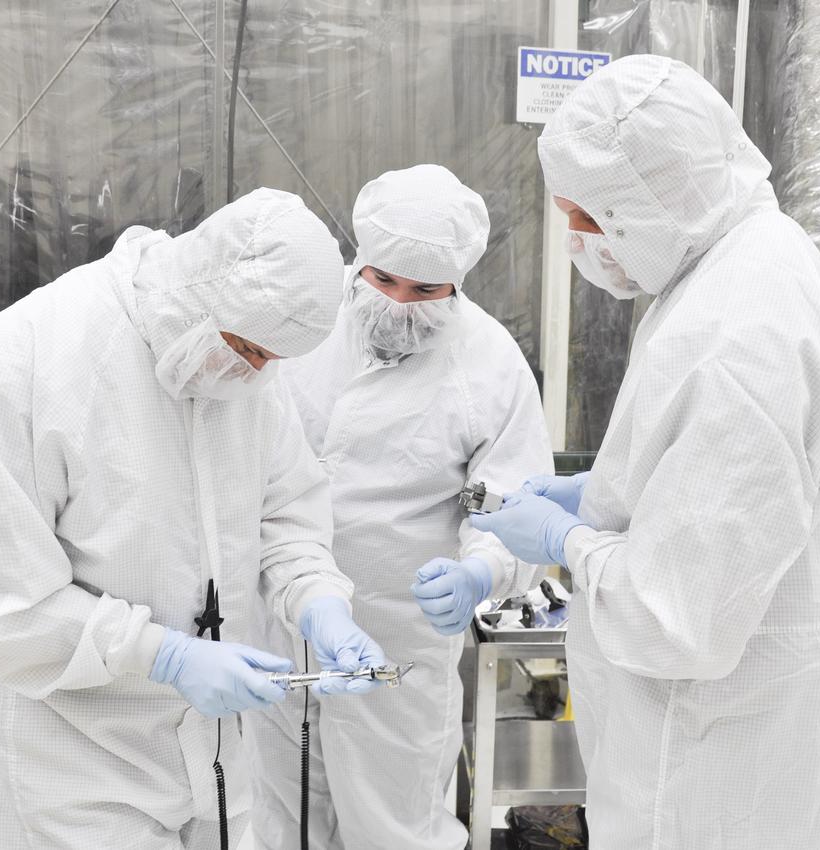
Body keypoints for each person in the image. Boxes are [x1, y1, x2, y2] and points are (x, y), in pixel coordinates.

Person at [470, 56, 820, 849]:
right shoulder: (743, 260)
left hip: (707, 775)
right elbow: (721, 483)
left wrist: (567, 541)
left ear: (645, 205)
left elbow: (676, 623)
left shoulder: (739, 336)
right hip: (740, 737)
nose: (578, 242)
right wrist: (604, 491)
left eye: (585, 218)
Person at [0, 188, 389, 849]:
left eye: (274, 360)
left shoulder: (246, 365)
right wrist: (165, 656)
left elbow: (285, 512)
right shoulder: (19, 365)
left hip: (212, 755)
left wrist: (318, 599)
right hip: (75, 765)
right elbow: (6, 604)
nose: (258, 373)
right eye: (249, 349)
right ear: (204, 294)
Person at [249, 164, 553, 850]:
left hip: (398, 640)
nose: (396, 303)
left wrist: (481, 571)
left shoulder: (489, 363)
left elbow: (512, 501)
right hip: (278, 619)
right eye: (383, 280)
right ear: (359, 259)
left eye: (423, 291)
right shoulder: (301, 319)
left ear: (456, 285)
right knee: (282, 819)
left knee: (395, 828)